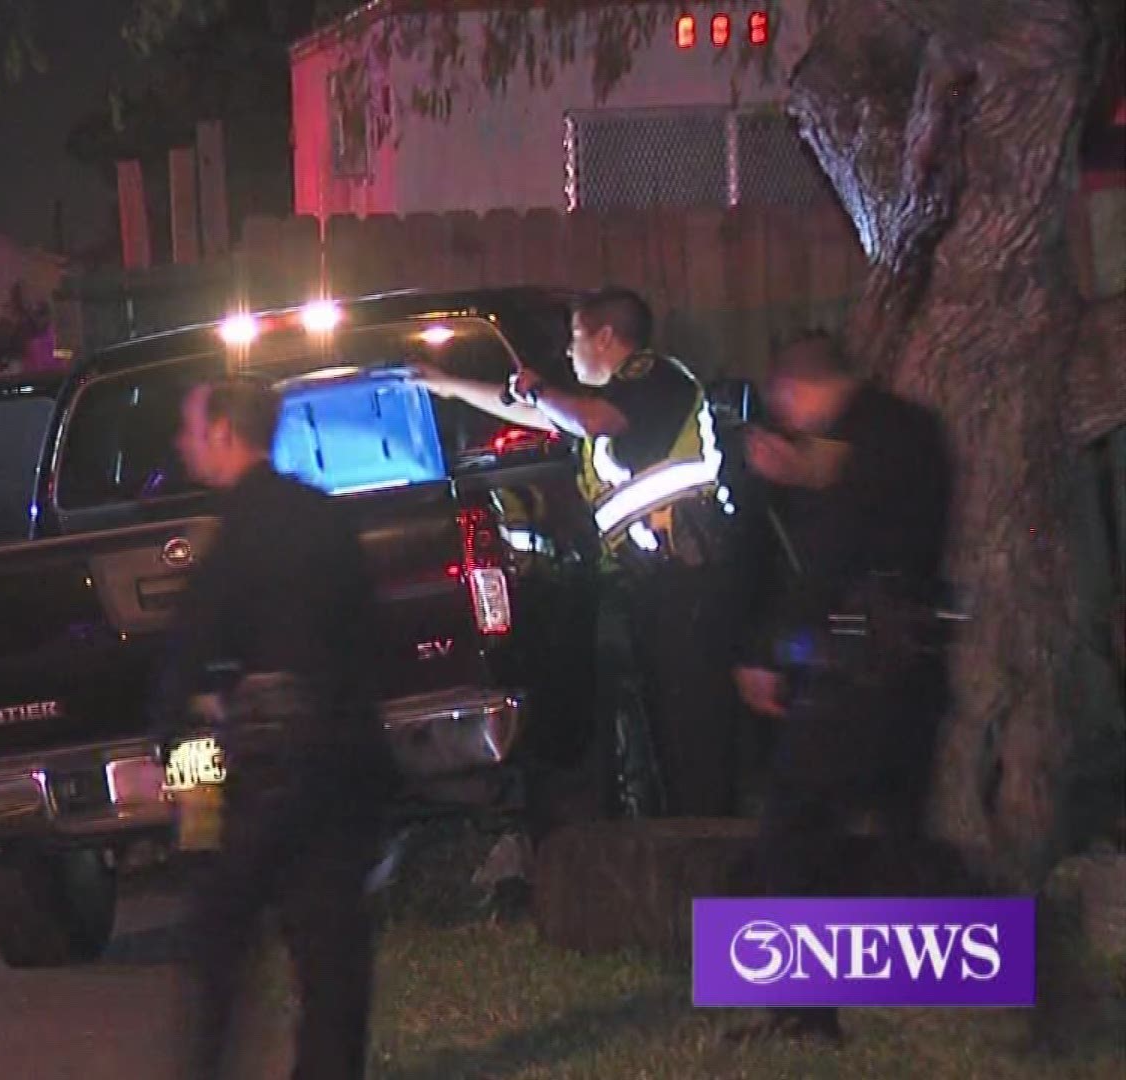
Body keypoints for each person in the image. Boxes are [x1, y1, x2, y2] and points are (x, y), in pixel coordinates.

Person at [417, 287, 744, 817]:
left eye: (575, 339)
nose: (570, 353)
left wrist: (541, 387)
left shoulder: (656, 378)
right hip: (652, 583)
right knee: (665, 728)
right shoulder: (607, 403)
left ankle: (712, 847)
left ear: (606, 337)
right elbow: (544, 416)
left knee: (694, 729)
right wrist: (447, 385)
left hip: (688, 580)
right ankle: (685, 837)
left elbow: (589, 419)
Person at [157, 376, 394, 1080]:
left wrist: (185, 775)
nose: (181, 443)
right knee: (333, 960)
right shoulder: (326, 517)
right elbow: (365, 640)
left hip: (260, 771)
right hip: (340, 761)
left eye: (190, 429)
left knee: (218, 945)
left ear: (225, 434)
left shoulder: (236, 533)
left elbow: (189, 661)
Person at [731, 331, 954, 1044]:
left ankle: (805, 1010)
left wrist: (773, 654)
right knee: (899, 829)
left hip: (857, 666)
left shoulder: (855, 443)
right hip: (915, 660)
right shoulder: (910, 429)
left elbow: (831, 555)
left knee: (794, 829)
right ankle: (942, 992)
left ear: (793, 391)